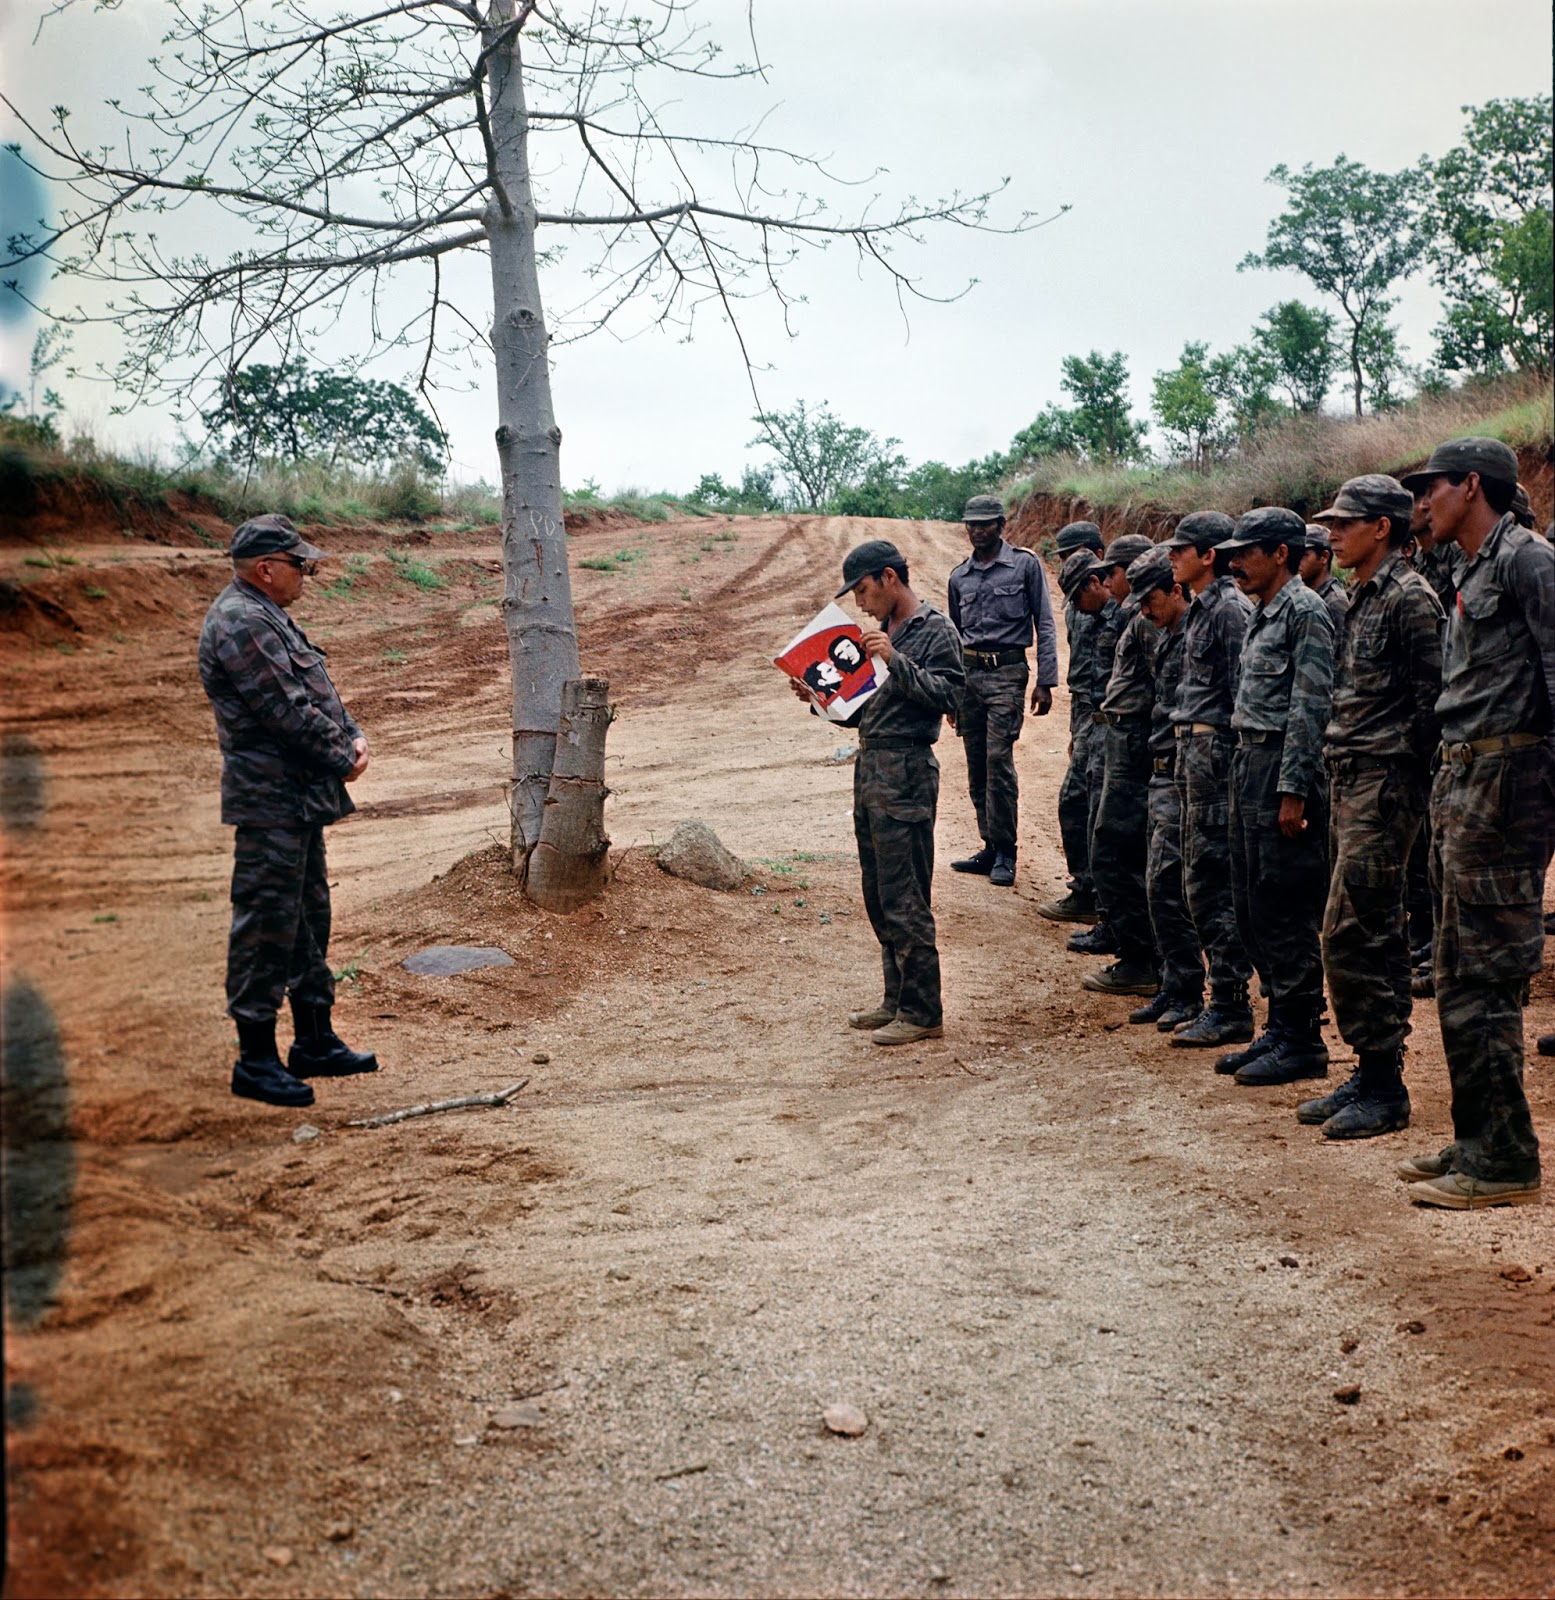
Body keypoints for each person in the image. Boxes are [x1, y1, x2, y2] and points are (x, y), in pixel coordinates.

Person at [1395, 438, 1554, 1209]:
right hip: (1461, 780)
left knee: (1488, 973)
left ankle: (1503, 1159)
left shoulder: (1527, 561)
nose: (1421, 502)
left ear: (1469, 484)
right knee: (1456, 968)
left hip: (1506, 788)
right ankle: (1475, 1139)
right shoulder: (1464, 566)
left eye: (1431, 487)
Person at [198, 514, 378, 1109]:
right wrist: (343, 755)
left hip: (296, 798)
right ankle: (255, 1060)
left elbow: (315, 690)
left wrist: (351, 733)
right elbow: (287, 711)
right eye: (300, 564)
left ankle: (314, 1041)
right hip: (269, 800)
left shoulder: (268, 614)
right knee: (265, 925)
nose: (308, 573)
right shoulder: (242, 621)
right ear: (266, 568)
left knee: (306, 919)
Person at [1301, 476, 1444, 1138]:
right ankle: (1374, 1068)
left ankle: (1384, 1084)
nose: (1331, 534)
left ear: (1381, 527)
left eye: (1344, 523)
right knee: (1372, 927)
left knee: (1351, 928)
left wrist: (1400, 773)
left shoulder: (1410, 598)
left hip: (1384, 784)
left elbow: (1431, 702)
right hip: (1351, 779)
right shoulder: (1363, 595)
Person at [792, 539, 965, 1047]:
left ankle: (923, 1011)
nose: (860, 603)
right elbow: (868, 713)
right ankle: (897, 998)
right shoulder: (884, 634)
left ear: (890, 578)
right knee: (879, 892)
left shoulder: (934, 630)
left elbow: (952, 695)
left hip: (907, 771)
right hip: (872, 769)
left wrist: (896, 660)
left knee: (906, 892)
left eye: (863, 590)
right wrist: (819, 699)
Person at [1215, 508, 1335, 1086]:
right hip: (1250, 763)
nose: (1234, 563)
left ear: (1281, 553)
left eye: (1246, 552)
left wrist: (1293, 790)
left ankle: (1304, 1038)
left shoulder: (1305, 611)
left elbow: (1310, 707)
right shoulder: (1263, 612)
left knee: (1284, 901)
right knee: (1251, 903)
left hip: (1281, 769)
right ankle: (1281, 1024)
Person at [1165, 512, 1257, 1049]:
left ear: (1209, 555)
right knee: (1195, 876)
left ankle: (1231, 1003)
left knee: (1212, 879)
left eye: (1181, 549)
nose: (1172, 557)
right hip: (1193, 754)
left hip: (1216, 757)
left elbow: (1244, 693)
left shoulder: (1229, 610)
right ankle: (1220, 999)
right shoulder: (1203, 607)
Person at [946, 495, 1059, 888]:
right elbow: (954, 636)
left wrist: (1046, 680)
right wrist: (951, 692)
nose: (978, 531)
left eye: (985, 523)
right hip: (968, 677)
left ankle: (1007, 851)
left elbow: (1045, 622)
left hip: (1008, 674)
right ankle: (989, 846)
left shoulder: (1025, 565)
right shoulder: (959, 576)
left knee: (998, 762)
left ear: (1000, 524)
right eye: (971, 524)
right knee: (976, 765)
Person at [1128, 547, 1204, 1029]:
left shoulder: (1200, 630)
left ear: (1176, 591)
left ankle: (1190, 991)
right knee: (1158, 883)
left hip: (1185, 773)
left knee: (1172, 885)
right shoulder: (1167, 635)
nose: (1143, 612)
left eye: (1149, 601)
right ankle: (1173, 985)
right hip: (1162, 771)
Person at [1081, 534, 1161, 995]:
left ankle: (1142, 959)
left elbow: (1164, 686)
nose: (1107, 582)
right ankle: (1139, 954)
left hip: (1134, 742)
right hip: (1121, 737)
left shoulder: (1144, 619)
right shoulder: (1133, 616)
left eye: (1112, 573)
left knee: (1117, 850)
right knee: (1113, 846)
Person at [1040, 521, 1107, 923]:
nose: (1067, 565)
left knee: (1101, 811)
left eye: (1074, 556)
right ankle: (1086, 889)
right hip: (1085, 715)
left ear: (1098, 555)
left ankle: (1103, 899)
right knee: (1074, 802)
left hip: (1113, 719)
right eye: (1063, 559)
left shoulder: (1120, 605)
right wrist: (1076, 730)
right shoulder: (1074, 605)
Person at [1300, 525, 1350, 643]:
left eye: (1304, 555)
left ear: (1324, 557)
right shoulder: (1302, 595)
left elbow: (1341, 650)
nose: (1297, 561)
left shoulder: (1335, 602)